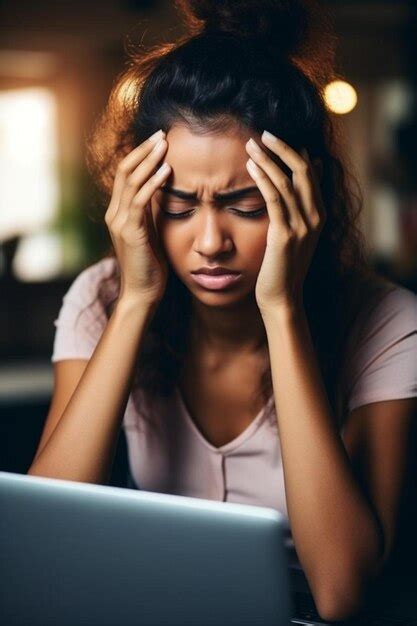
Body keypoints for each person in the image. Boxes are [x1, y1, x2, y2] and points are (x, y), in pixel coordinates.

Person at [28, 0, 417, 621]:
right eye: (180, 207)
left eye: (245, 205)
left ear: (303, 194)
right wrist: (134, 302)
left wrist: (282, 309)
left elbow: (343, 593)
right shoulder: (101, 298)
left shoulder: (390, 323)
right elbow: (41, 546)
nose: (210, 242)